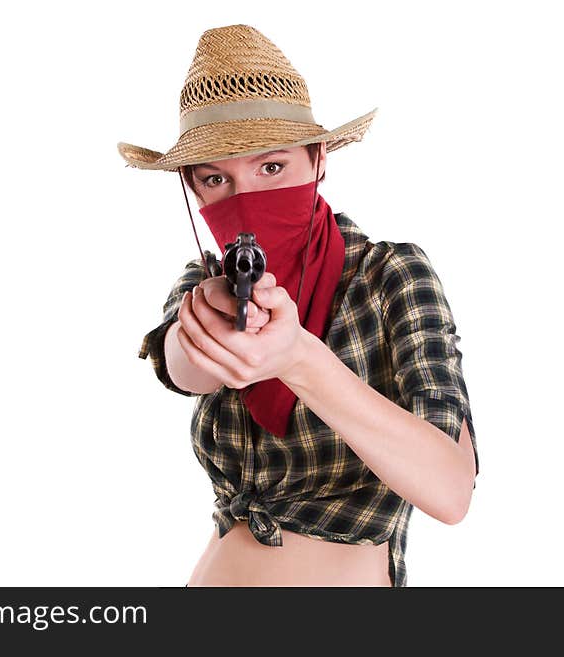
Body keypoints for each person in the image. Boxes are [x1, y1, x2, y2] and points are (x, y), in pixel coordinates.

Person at [118, 24, 479, 587]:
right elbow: (181, 367)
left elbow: (451, 489)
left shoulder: (389, 277)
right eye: (216, 177)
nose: (246, 199)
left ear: (317, 158)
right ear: (193, 188)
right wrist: (208, 334)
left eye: (270, 167)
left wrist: (300, 360)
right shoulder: (203, 286)